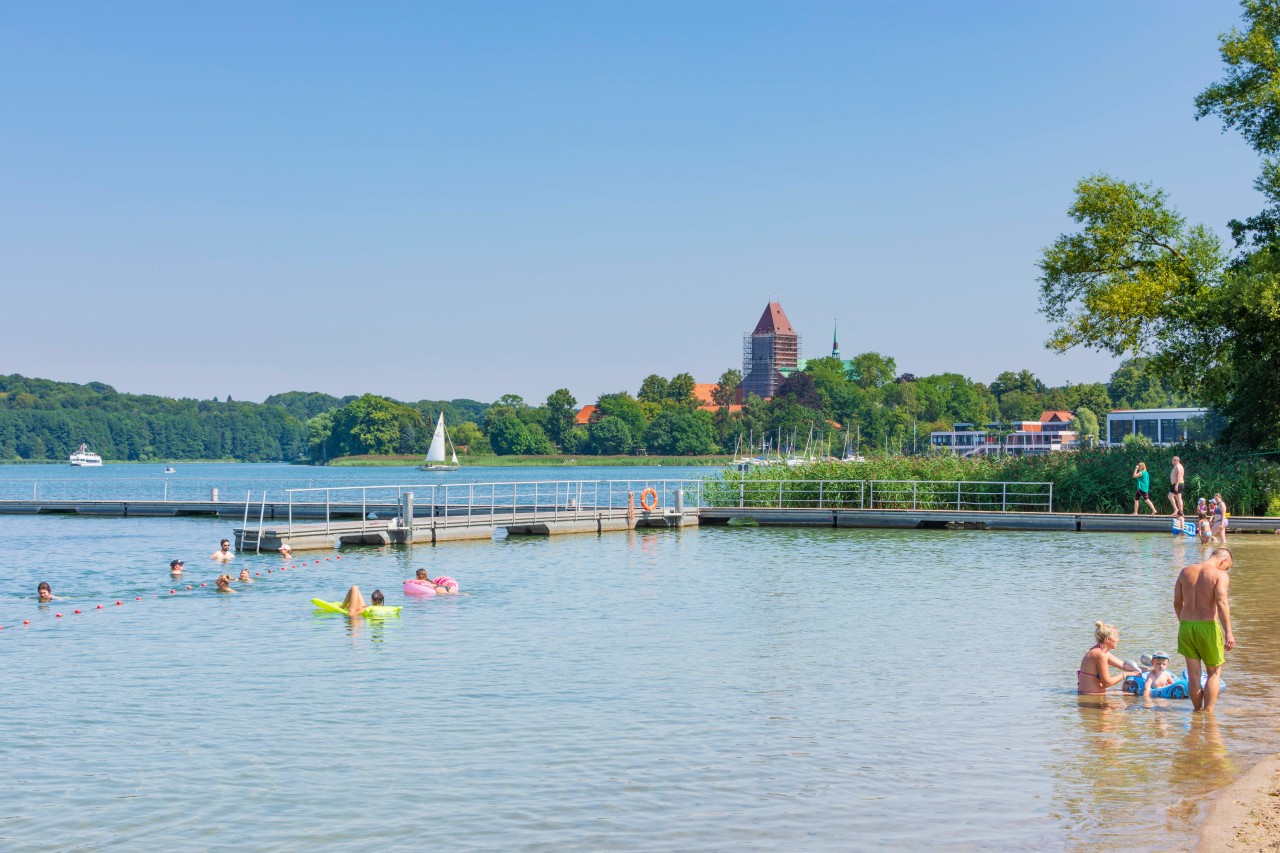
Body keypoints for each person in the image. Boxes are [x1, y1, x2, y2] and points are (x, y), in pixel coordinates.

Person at [1174, 547, 1235, 711]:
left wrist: (1184, 623)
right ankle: (1208, 713)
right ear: (1223, 561)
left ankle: (1196, 712)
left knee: (1193, 675)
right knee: (1213, 673)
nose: (1226, 569)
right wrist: (1228, 631)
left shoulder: (1185, 572)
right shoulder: (1220, 575)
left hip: (1186, 626)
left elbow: (1177, 603)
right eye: (1227, 566)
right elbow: (1222, 603)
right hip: (1207, 626)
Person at [1077, 621, 1140, 694]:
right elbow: (1107, 683)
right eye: (1116, 636)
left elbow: (1124, 666)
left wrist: (1151, 669)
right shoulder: (1099, 654)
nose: (1118, 640)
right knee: (1133, 699)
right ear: (1107, 639)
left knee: (1131, 694)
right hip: (1091, 698)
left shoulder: (1101, 652)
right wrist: (1126, 674)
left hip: (1094, 694)